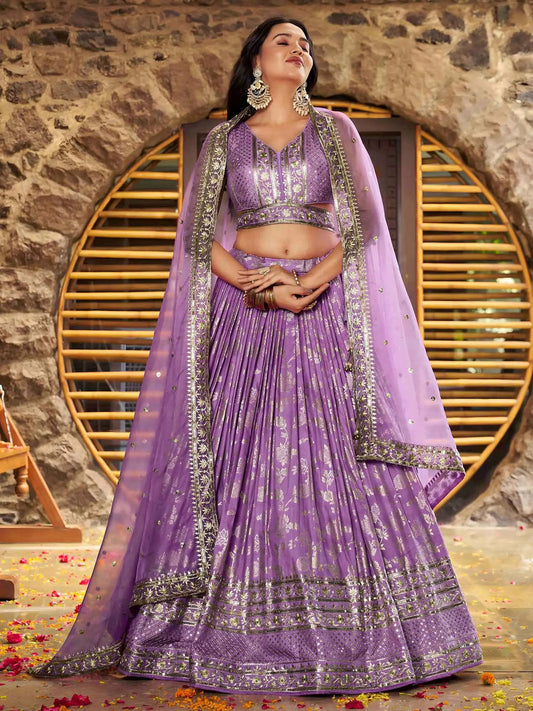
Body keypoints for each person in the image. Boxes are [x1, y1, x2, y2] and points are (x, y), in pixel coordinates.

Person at [31, 17, 483, 694]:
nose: (298, 50)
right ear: (256, 63)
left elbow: (365, 224)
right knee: (240, 449)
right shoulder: (226, 140)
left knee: (340, 449)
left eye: (305, 45)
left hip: (323, 308)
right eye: (284, 42)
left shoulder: (335, 130)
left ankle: (380, 628)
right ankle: (215, 625)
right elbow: (195, 232)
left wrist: (307, 284)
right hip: (245, 309)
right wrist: (253, 282)